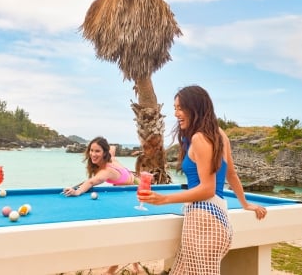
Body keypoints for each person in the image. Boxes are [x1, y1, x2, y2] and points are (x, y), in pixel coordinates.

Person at [137, 85, 268, 275]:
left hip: (203, 224)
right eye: (175, 108)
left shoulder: (199, 138)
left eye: (180, 108)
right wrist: (245, 204)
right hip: (215, 221)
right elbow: (231, 173)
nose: (176, 114)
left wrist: (164, 199)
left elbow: (208, 189)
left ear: (195, 108)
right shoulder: (219, 134)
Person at [63, 136, 140, 274]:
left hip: (135, 190)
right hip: (127, 188)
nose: (93, 154)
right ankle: (134, 265)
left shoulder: (107, 171)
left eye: (97, 151)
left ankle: (112, 268)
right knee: (129, 230)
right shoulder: (111, 157)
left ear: (104, 153)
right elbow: (113, 148)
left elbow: (92, 182)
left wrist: (78, 191)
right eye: (91, 150)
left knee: (123, 231)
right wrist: (107, 148)